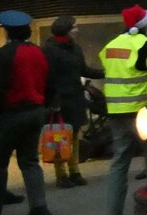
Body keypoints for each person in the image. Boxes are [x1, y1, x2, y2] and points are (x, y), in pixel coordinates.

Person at [0, 10, 53, 215]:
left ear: (7, 31)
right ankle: (39, 206)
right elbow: (49, 82)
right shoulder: (39, 52)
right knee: (30, 161)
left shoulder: (4, 54)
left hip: (10, 114)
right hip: (36, 111)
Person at [99, 5, 147, 215]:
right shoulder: (146, 46)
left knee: (119, 163)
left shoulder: (109, 46)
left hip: (116, 112)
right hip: (142, 113)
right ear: (144, 25)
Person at [42, 15, 103, 188]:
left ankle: (74, 171)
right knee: (59, 138)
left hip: (75, 98)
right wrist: (52, 99)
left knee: (74, 135)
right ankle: (61, 175)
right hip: (58, 101)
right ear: (66, 30)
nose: (77, 30)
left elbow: (83, 70)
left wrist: (106, 73)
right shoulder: (49, 50)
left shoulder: (75, 48)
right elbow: (46, 77)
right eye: (74, 27)